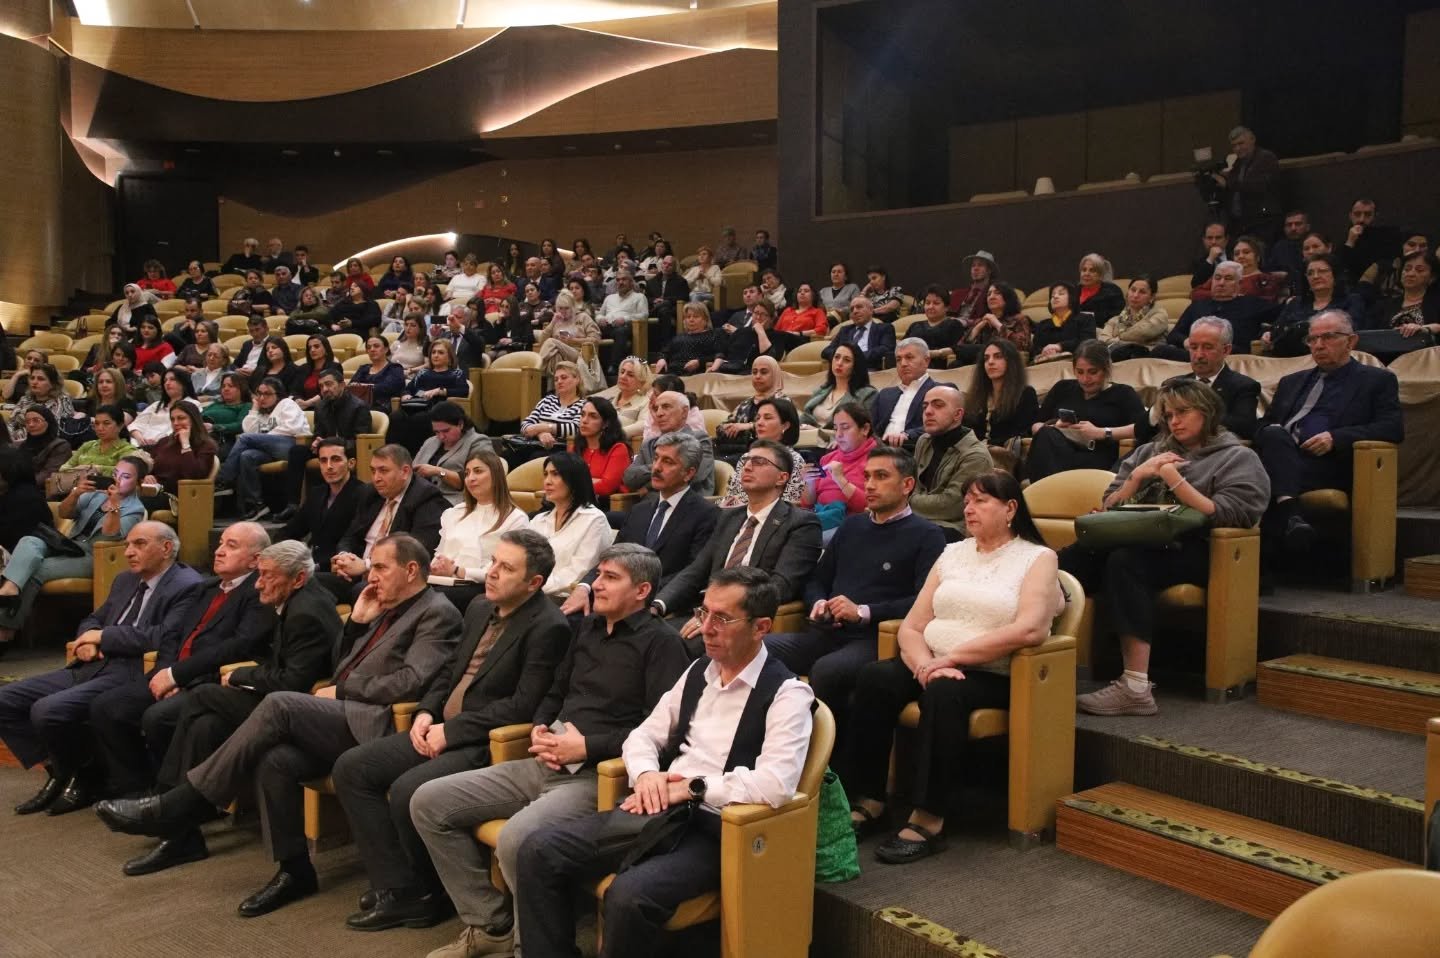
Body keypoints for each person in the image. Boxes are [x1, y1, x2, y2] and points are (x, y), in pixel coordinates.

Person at [95, 535, 460, 918]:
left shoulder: (436, 612)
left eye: (381, 567)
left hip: (380, 723)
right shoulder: (384, 606)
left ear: (411, 570)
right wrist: (355, 623)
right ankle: (294, 871)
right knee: (276, 760)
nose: (371, 576)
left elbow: (412, 681)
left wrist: (343, 690)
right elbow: (338, 665)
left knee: (278, 704)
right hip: (341, 713)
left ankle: (181, 803)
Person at [519, 563, 816, 957]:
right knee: (537, 850)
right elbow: (644, 735)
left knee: (629, 896)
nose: (705, 628)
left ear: (761, 627)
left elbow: (776, 783)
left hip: (720, 828)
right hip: (658, 808)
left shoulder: (787, 694)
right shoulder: (698, 671)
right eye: (703, 612)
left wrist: (692, 788)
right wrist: (646, 775)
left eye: (722, 618)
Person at [411, 544, 689, 958]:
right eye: (599, 575)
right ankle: (491, 925)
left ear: (642, 590)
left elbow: (660, 733)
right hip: (546, 759)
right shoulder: (588, 628)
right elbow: (556, 691)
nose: (597, 585)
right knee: (428, 802)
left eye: (611, 578)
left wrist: (587, 746)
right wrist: (541, 726)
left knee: (517, 840)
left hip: (600, 776)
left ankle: (532, 948)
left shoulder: (662, 644)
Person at [330, 529, 569, 932]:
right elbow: (447, 671)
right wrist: (426, 711)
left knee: (407, 789)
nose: (492, 572)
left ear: (534, 583)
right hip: (439, 726)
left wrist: (452, 730)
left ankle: (427, 894)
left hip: (484, 742)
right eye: (493, 562)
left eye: (506, 568)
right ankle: (400, 886)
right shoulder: (478, 606)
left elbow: (521, 707)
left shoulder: (549, 627)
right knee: (353, 768)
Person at [844, 471, 1064, 863]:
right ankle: (870, 800)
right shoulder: (952, 553)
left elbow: (1030, 629)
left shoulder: (1037, 558)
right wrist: (925, 665)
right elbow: (912, 626)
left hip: (997, 672)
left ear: (1010, 508)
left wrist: (953, 658)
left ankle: (929, 819)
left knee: (945, 693)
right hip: (934, 662)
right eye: (966, 501)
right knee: (875, 677)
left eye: (980, 501)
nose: (968, 508)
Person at [110, 539, 337, 876]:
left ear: (298, 578)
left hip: (296, 709)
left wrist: (241, 676)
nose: (258, 584)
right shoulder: (299, 596)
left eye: (268, 576)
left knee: (201, 696)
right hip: (277, 698)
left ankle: (169, 805)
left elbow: (292, 681)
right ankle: (182, 832)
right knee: (205, 726)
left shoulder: (305, 613)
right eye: (259, 574)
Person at [1064, 380, 1271, 716]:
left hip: (1201, 550)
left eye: (1183, 412)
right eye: (1169, 415)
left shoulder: (1237, 456)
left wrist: (1173, 478)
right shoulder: (1150, 451)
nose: (1174, 421)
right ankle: (1024, 655)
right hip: (1140, 538)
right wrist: (1138, 477)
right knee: (1064, 561)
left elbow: (1230, 515)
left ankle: (1135, 688)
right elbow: (1110, 505)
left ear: (1207, 412)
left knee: (1125, 562)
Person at [0, 522, 203, 816]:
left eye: (139, 544)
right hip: (93, 663)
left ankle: (82, 773)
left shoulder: (187, 585)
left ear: (166, 548)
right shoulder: (125, 579)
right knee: (5, 700)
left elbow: (163, 635)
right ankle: (65, 770)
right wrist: (88, 639)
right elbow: (95, 619)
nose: (129, 552)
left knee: (47, 711)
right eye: (128, 544)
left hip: (131, 669)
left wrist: (104, 637)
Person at [87, 523, 273, 802]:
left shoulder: (258, 593)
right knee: (106, 706)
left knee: (157, 717)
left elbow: (236, 648)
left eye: (231, 546)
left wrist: (177, 676)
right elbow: (172, 634)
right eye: (220, 543)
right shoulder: (206, 587)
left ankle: (169, 795)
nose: (219, 551)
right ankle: (135, 788)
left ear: (255, 560)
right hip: (173, 671)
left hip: (207, 680)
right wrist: (165, 670)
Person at [770, 445, 945, 719]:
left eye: (881, 476)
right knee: (753, 647)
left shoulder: (927, 535)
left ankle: (826, 746)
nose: (870, 485)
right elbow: (817, 579)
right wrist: (818, 603)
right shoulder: (853, 526)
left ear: (907, 485)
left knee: (828, 670)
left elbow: (923, 602)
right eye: (867, 477)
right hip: (826, 631)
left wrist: (863, 612)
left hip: (875, 637)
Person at [1253, 311, 1403, 562]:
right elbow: (1264, 425)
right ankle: (1291, 517)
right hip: (1283, 454)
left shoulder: (1377, 380)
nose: (1319, 345)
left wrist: (1336, 437)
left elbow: (1392, 428)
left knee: (1256, 475)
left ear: (1351, 341)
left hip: (1328, 463)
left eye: (1328, 337)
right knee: (1272, 434)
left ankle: (1263, 562)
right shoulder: (1292, 381)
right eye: (1312, 339)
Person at [652, 438, 822, 632]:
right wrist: (658, 605)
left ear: (781, 478)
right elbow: (696, 571)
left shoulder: (801, 523)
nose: (747, 467)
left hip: (741, 621)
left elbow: (780, 586)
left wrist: (715, 614)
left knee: (665, 642)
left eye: (759, 462)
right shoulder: (728, 517)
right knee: (643, 631)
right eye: (747, 460)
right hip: (703, 610)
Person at [561, 433, 720, 618]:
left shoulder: (706, 514)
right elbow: (612, 557)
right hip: (619, 598)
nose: (656, 467)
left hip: (662, 606)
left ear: (689, 473)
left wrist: (635, 592)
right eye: (656, 458)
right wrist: (584, 587)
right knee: (568, 618)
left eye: (668, 461)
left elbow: (693, 573)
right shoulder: (639, 510)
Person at [0, 454, 149, 647]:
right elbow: (65, 512)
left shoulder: (135, 509)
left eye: (126, 477)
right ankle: (10, 588)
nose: (118, 480)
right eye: (115, 474)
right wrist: (76, 493)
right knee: (29, 541)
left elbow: (110, 537)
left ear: (139, 482)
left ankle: (5, 629)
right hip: (69, 545)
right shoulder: (96, 495)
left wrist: (114, 505)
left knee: (37, 568)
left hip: (96, 556)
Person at [322, 445, 449, 601]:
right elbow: (350, 535)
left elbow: (416, 551)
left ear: (405, 472)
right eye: (373, 471)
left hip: (392, 580)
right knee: (311, 581)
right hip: (356, 575)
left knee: (361, 590)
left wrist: (368, 565)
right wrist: (344, 557)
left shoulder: (425, 497)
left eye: (383, 471)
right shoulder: (370, 493)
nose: (376, 478)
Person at [1027, 341, 1148, 482]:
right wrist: (1056, 427)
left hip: (1097, 455)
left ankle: (1050, 488)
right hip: (1057, 450)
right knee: (1046, 434)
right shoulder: (1062, 388)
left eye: (1093, 372)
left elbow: (1143, 429)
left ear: (1106, 369)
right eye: (1080, 372)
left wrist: (1101, 432)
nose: (1085, 379)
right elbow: (1035, 426)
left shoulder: (1123, 394)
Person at [429, 449, 529, 613]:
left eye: (478, 471)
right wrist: (436, 567)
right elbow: (440, 554)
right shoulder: (454, 513)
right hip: (444, 582)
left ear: (496, 475)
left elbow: (504, 569)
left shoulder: (515, 518)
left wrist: (458, 571)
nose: (471, 478)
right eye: (467, 473)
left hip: (483, 586)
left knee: (435, 600)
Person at [276, 368, 371, 518]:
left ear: (342, 385)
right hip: (325, 449)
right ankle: (293, 504)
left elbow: (361, 439)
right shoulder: (320, 407)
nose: (325, 389)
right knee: (297, 451)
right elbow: (318, 433)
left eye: (329, 384)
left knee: (333, 454)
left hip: (350, 449)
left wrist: (332, 443)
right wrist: (316, 442)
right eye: (321, 386)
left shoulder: (359, 407)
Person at [527, 452, 616, 600]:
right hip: (531, 591)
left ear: (574, 479)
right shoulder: (538, 520)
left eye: (555, 474)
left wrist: (531, 585)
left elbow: (579, 573)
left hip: (565, 598)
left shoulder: (594, 520)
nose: (547, 481)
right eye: (546, 474)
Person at [909, 384, 996, 534]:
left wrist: (902, 500)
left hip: (954, 527)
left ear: (957, 414)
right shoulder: (924, 441)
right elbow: (912, 484)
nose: (928, 411)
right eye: (925, 406)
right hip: (918, 519)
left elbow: (952, 506)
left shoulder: (975, 456)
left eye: (938, 405)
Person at [218, 376, 307, 520]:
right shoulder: (262, 412)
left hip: (292, 445)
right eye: (259, 394)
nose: (262, 398)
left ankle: (224, 480)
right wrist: (254, 408)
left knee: (245, 439)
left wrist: (262, 438)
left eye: (267, 394)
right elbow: (248, 429)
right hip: (269, 449)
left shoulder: (287, 403)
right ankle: (257, 504)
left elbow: (293, 427)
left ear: (278, 394)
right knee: (247, 456)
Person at [277, 437, 365, 569]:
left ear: (351, 463)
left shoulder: (363, 494)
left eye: (336, 459)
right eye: (323, 461)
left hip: (341, 568)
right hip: (311, 565)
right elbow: (292, 530)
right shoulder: (317, 493)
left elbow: (356, 543)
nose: (329, 466)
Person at [1163, 261, 1277, 358]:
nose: (1221, 283)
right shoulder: (1198, 306)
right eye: (1217, 278)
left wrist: (1268, 333)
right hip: (1195, 355)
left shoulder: (1252, 304)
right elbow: (1174, 335)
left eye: (1228, 278)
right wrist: (1186, 341)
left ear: (1239, 284)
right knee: (1160, 351)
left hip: (1231, 357)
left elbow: (1283, 318)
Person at [1176, 317, 1261, 440]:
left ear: (1226, 350)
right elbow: (1150, 428)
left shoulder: (1244, 386)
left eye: (1207, 347)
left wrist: (1196, 415)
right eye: (1193, 347)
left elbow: (1244, 427)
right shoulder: (1174, 385)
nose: (1198, 355)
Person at [1268, 253, 1367, 356]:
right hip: (1292, 357)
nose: (1315, 276)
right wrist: (1267, 335)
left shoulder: (1352, 300)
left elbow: (1350, 329)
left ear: (1335, 275)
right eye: (1310, 273)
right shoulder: (1295, 303)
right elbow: (1275, 329)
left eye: (1322, 271)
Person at [717, 400, 807, 508]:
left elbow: (791, 505)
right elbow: (731, 497)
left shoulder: (794, 461)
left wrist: (746, 508)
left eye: (767, 418)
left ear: (785, 425)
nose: (759, 423)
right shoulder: (746, 457)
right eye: (757, 418)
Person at [802, 402, 877, 530]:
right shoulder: (827, 458)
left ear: (865, 429)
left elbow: (871, 507)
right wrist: (809, 483)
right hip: (820, 520)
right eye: (836, 428)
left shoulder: (877, 460)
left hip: (853, 526)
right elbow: (807, 505)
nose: (838, 435)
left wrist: (841, 481)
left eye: (845, 428)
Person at [962, 340, 1040, 459]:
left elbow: (1021, 434)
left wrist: (984, 446)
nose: (990, 362)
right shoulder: (978, 395)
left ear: (1011, 362)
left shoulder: (1025, 393)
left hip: (1003, 456)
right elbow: (967, 429)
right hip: (973, 454)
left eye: (998, 357)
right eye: (986, 358)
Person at [392, 340, 471, 452]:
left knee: (420, 419)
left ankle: (415, 453)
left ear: (449, 357)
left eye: (440, 352)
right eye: (433, 352)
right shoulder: (423, 373)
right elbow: (408, 389)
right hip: (415, 405)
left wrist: (440, 391)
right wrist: (406, 395)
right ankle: (395, 452)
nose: (436, 355)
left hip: (437, 409)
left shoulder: (456, 374)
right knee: (396, 416)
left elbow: (463, 391)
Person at [508, 361, 587, 468]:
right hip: (537, 444)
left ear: (577, 379)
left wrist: (544, 427)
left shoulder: (584, 404)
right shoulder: (547, 400)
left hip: (563, 449)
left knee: (536, 457)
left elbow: (576, 428)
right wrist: (541, 434)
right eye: (556, 379)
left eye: (564, 377)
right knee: (508, 456)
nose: (559, 381)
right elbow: (525, 425)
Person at [143, 403, 217, 507]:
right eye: (172, 419)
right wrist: (147, 476)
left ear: (193, 420)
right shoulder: (164, 442)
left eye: (181, 418)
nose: (176, 423)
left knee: (139, 503)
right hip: (155, 491)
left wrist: (185, 444)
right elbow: (149, 466)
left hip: (181, 497)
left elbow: (195, 476)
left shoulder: (206, 446)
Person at [1364, 250, 1440, 352]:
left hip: (1426, 357)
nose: (1411, 274)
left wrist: (1426, 329)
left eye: (1419, 270)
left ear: (1432, 277)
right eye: (1407, 269)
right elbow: (1368, 336)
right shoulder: (1383, 306)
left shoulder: (1436, 302)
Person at [1214, 126, 1282, 238]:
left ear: (1252, 140)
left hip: (1263, 221)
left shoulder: (1266, 158)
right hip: (1241, 223)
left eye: (1241, 143)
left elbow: (1259, 186)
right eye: (1234, 146)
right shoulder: (1239, 163)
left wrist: (1228, 183)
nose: (1237, 148)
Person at [714, 356, 788, 459]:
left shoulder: (783, 402)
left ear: (775, 375)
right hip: (738, 451)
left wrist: (749, 426)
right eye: (754, 372)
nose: (757, 376)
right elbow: (722, 427)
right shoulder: (746, 403)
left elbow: (784, 428)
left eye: (764, 372)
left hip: (771, 454)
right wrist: (728, 427)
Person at [873, 338, 937, 448]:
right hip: (879, 449)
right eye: (898, 359)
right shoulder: (885, 394)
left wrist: (907, 435)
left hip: (913, 449)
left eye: (909, 357)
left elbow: (942, 424)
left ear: (926, 361)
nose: (903, 364)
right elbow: (870, 427)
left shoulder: (940, 390)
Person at [803, 342, 877, 432]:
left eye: (847, 360)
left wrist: (818, 432)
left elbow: (866, 432)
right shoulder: (821, 390)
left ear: (856, 366)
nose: (839, 363)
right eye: (837, 357)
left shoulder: (868, 395)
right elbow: (804, 418)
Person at [1192, 235, 1287, 302]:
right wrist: (1221, 295)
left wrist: (1235, 297)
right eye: (1237, 254)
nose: (1241, 256)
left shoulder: (1266, 278)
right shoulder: (1222, 276)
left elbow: (1267, 302)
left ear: (1258, 257)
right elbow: (1196, 294)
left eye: (1246, 252)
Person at [957, 281, 1032, 364]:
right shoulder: (982, 321)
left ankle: (946, 350)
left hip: (1003, 358)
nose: (991, 297)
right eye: (988, 294)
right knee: (956, 363)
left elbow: (1023, 346)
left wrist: (997, 324)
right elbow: (961, 347)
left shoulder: (1019, 319)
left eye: (997, 293)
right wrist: (977, 328)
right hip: (978, 360)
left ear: (1007, 298)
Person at [0, 447, 54, 561]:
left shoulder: (25, 497)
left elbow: (12, 538)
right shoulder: (7, 492)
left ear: (8, 470)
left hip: (23, 557)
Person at [1099, 276, 1171, 360]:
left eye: (1142, 292)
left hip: (1149, 359)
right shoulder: (1116, 319)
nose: (1135, 295)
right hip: (1118, 359)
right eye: (1133, 290)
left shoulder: (1159, 314)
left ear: (1152, 297)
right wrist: (1125, 343)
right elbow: (1102, 340)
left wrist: (1117, 340)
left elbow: (1142, 333)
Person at [535, 290, 602, 378]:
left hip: (580, 354)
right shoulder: (556, 320)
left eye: (566, 308)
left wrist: (573, 340)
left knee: (551, 341)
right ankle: (556, 384)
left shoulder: (583, 317)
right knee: (556, 356)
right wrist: (552, 322)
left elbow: (596, 339)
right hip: (560, 355)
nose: (563, 311)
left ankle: (536, 368)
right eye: (560, 308)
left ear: (573, 307)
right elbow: (541, 341)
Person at [575, 396, 630, 500]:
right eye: (582, 414)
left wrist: (574, 484)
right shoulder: (576, 447)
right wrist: (595, 481)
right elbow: (564, 480)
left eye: (593, 416)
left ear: (606, 423)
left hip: (604, 505)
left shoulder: (618, 448)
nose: (584, 420)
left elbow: (606, 487)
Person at [128, 368, 199, 448]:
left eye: (172, 379)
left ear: (183, 383)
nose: (167, 383)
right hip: (138, 444)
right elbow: (135, 425)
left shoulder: (193, 404)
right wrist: (140, 439)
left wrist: (157, 443)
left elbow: (181, 430)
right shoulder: (156, 405)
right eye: (165, 381)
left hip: (167, 447)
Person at [1339, 198, 1403, 286]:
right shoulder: (1345, 240)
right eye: (1357, 214)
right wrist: (1350, 242)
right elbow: (1341, 268)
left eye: (1368, 215)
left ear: (1375, 216)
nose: (1361, 219)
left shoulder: (1387, 238)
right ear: (1351, 216)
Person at [10, 363, 78, 443]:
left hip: (43, 444)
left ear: (53, 383)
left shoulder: (62, 400)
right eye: (32, 378)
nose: (34, 382)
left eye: (41, 379)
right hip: (16, 441)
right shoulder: (26, 398)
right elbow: (11, 423)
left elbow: (53, 430)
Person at [823, 296, 895, 371]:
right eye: (852, 309)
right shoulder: (845, 330)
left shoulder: (884, 328)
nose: (855, 311)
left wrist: (855, 357)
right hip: (843, 370)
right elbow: (826, 351)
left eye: (859, 307)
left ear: (871, 310)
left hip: (869, 370)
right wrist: (843, 357)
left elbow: (886, 349)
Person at [1031, 282, 1099, 362]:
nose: (1055, 297)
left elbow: (1088, 343)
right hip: (1045, 363)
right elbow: (1035, 350)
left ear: (1072, 298)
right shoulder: (1042, 325)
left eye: (1061, 294)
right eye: (1052, 296)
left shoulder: (1086, 319)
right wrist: (1045, 351)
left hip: (1077, 362)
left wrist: (1060, 346)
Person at [654, 301, 726, 375]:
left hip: (697, 375)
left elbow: (720, 354)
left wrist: (700, 362)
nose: (691, 320)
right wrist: (662, 359)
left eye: (696, 317)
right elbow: (664, 352)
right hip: (671, 374)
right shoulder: (678, 337)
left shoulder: (714, 334)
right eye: (688, 317)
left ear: (705, 319)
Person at [595, 270, 648, 370]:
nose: (620, 282)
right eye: (618, 280)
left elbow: (644, 315)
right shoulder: (609, 298)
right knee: (591, 331)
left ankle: (614, 366)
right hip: (606, 326)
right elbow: (599, 314)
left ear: (631, 282)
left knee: (620, 331)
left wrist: (625, 319)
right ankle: (594, 367)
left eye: (624, 279)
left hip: (626, 327)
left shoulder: (639, 297)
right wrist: (600, 319)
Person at [911, 285, 966, 368]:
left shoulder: (954, 325)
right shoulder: (915, 325)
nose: (931, 307)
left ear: (947, 307)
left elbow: (957, 350)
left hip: (938, 369)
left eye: (936, 303)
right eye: (927, 303)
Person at [16, 406, 71, 491]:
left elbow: (48, 474)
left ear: (48, 422)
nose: (31, 425)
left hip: (43, 491)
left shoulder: (60, 446)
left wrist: (19, 486)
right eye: (27, 421)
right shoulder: (22, 445)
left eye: (36, 420)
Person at [596, 355, 652, 434]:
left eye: (630, 375)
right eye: (622, 372)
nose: (623, 377)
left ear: (641, 382)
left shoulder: (646, 402)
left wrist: (615, 435)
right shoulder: (609, 400)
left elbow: (643, 425)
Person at [350, 334, 408, 409]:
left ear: (386, 349)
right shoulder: (363, 369)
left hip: (383, 407)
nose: (372, 349)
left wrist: (362, 387)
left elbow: (388, 388)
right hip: (359, 406)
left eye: (376, 346)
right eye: (369, 347)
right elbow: (351, 388)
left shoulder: (395, 368)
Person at [201, 373, 251, 455]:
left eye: (231, 386)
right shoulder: (216, 404)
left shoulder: (246, 406)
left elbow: (240, 425)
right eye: (223, 386)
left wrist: (213, 427)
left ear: (241, 389)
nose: (226, 389)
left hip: (223, 440)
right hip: (200, 434)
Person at [294, 334, 343, 409]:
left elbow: (330, 390)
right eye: (310, 348)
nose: (312, 350)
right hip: (302, 408)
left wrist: (309, 403)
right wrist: (298, 401)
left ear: (326, 348)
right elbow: (295, 390)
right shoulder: (302, 368)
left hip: (327, 408)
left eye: (316, 346)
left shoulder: (334, 367)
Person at [949, 250, 999, 324]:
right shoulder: (958, 294)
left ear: (989, 270)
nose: (975, 268)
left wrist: (967, 322)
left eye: (980, 265)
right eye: (973, 265)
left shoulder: (993, 295)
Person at [1075, 253, 1125, 326]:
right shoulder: (1073, 290)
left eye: (1092, 271)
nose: (1086, 274)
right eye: (1084, 270)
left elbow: (1117, 317)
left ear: (1100, 274)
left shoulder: (1112, 292)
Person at [1189, 221, 1232, 288]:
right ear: (1204, 240)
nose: (1213, 242)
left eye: (1218, 238)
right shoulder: (1198, 262)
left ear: (1226, 240)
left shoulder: (1236, 257)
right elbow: (1195, 285)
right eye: (1209, 238)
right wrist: (1210, 259)